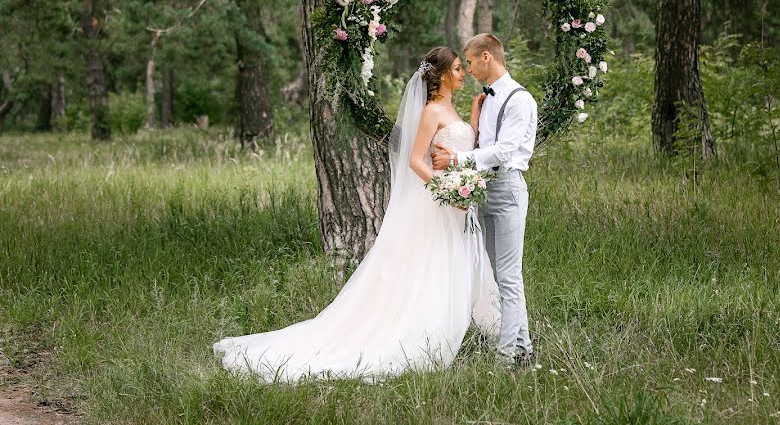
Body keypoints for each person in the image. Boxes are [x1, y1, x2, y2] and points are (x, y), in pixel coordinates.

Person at [213, 47, 500, 382]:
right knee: (430, 266)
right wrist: (446, 191)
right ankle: (420, 334)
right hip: (441, 201)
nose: (463, 73)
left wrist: (475, 120)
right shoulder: (431, 111)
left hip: (457, 203)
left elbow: (464, 150)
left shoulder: (451, 107)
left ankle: (459, 325)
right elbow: (415, 160)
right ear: (441, 74)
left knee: (451, 263)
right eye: (457, 68)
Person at [431, 33, 537, 367]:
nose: (470, 69)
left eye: (472, 62)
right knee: (500, 274)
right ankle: (522, 347)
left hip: (506, 190)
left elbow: (505, 151)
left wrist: (457, 162)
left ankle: (506, 358)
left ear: (487, 57)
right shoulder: (485, 98)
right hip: (484, 190)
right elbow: (481, 145)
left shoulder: (520, 99)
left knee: (508, 276)